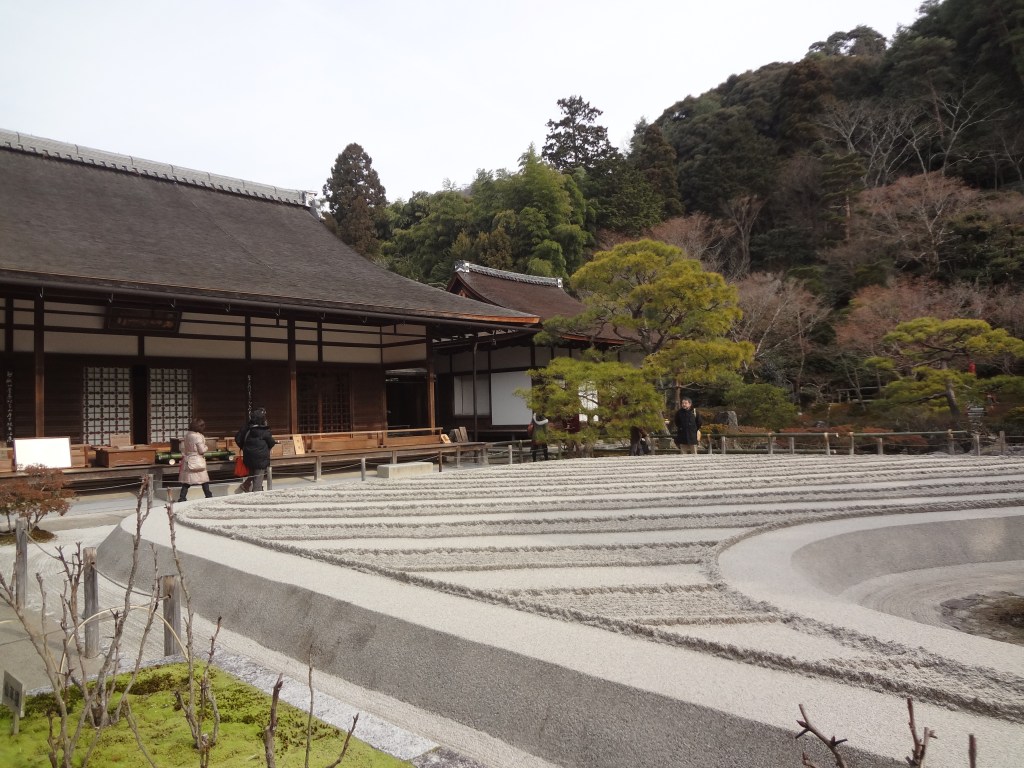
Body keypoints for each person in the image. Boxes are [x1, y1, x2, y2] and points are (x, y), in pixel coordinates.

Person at [235, 407, 276, 492]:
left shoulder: (246, 428)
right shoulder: (264, 431)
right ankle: (256, 495)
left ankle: (246, 485)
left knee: (252, 473)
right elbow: (271, 442)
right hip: (260, 459)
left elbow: (238, 439)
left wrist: (245, 447)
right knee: (258, 478)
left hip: (249, 457)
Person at [178, 418, 213, 501]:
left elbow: (184, 448)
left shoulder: (187, 435)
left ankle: (182, 497)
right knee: (203, 479)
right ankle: (208, 495)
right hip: (197, 459)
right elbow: (201, 450)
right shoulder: (198, 436)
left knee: (187, 480)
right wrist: (206, 447)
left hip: (188, 459)